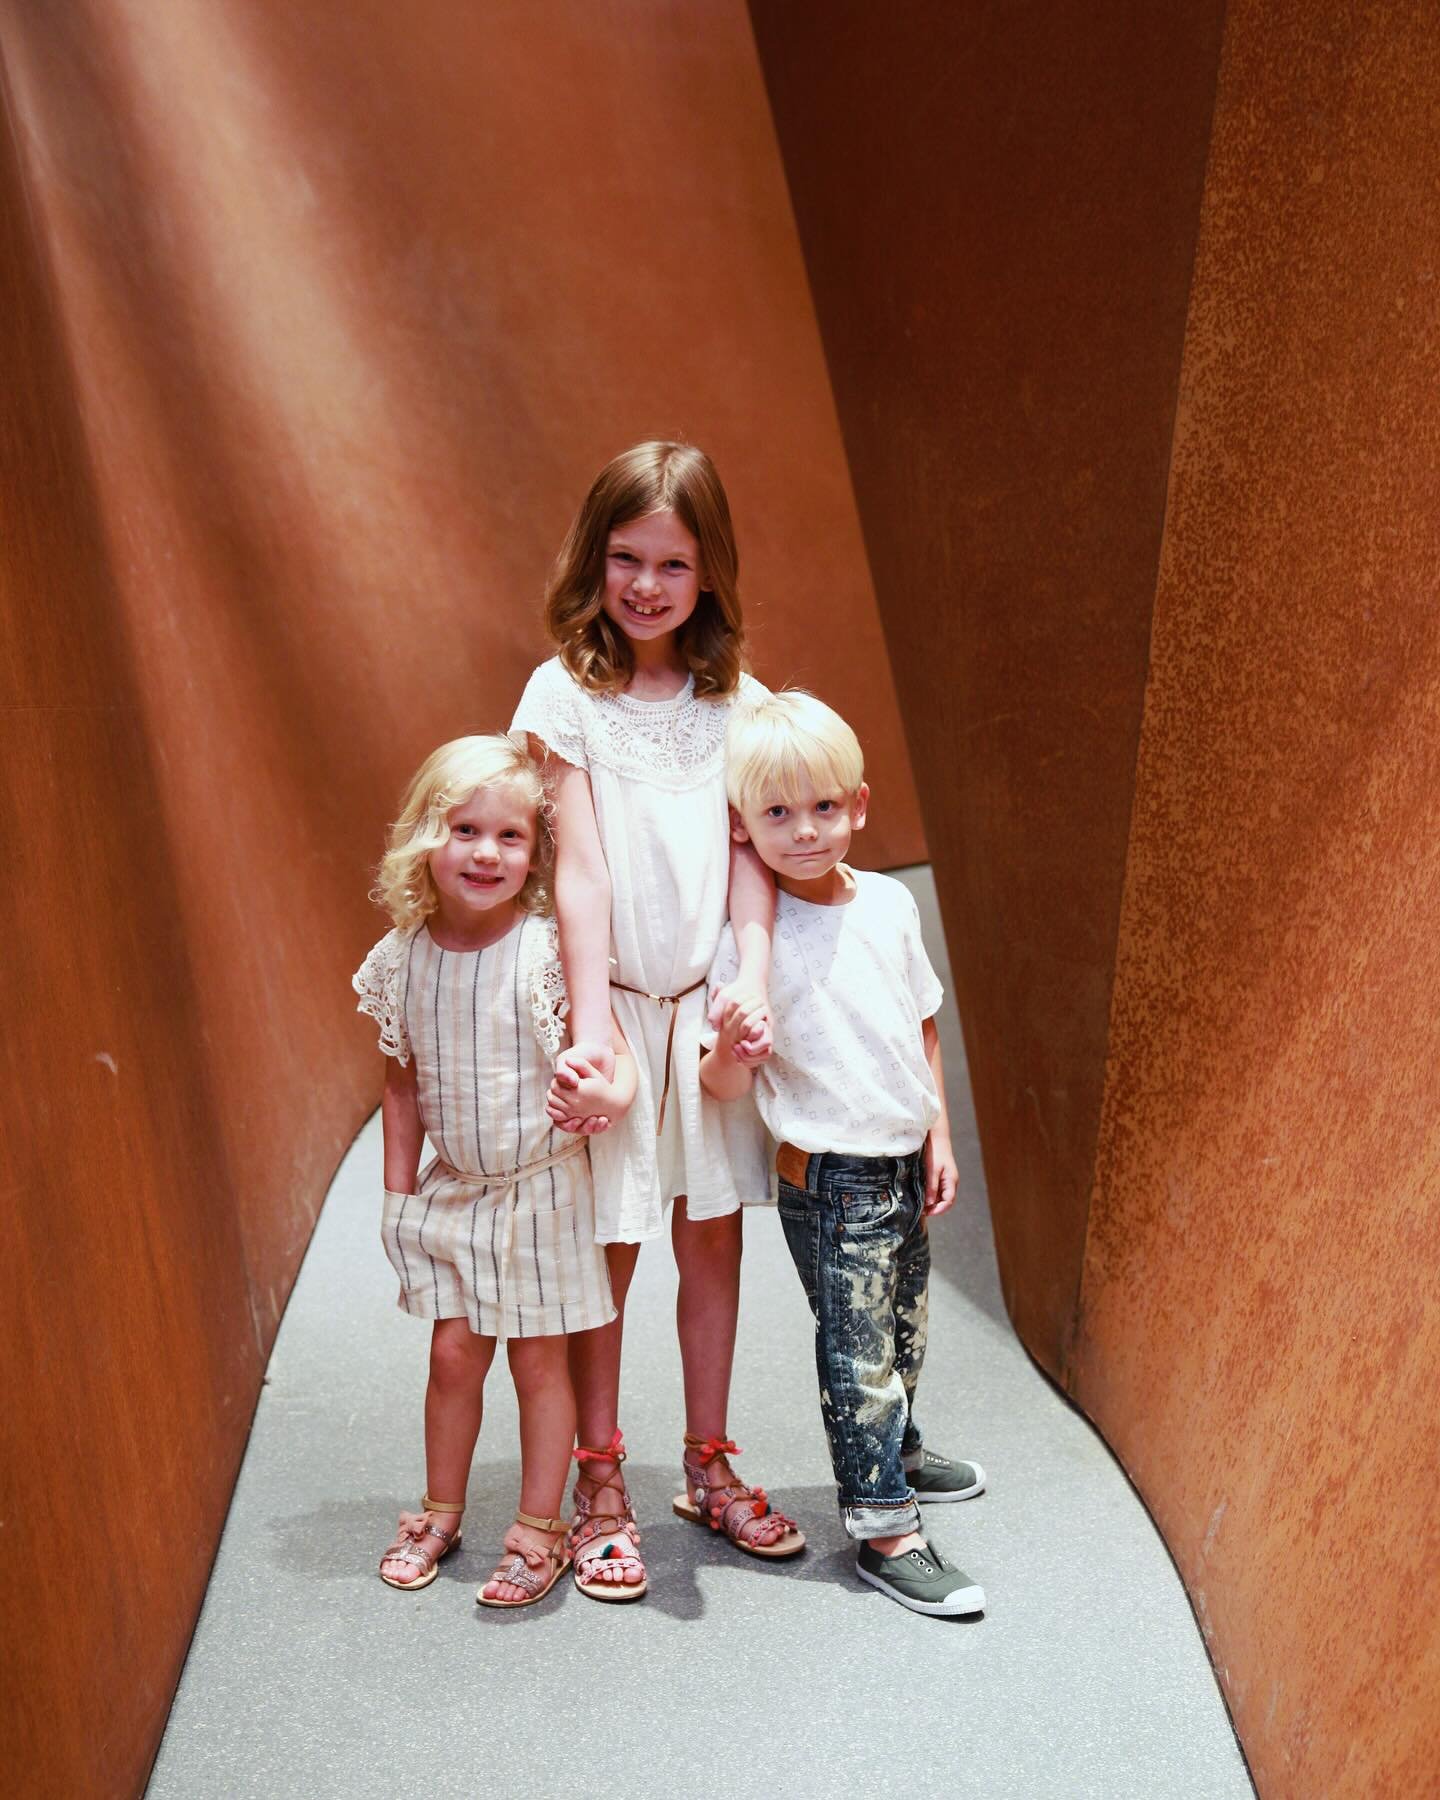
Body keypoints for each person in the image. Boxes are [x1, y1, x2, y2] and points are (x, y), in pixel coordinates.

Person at [511, 440, 805, 1601]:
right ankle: (598, 1478)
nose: (644, 586)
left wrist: (757, 983)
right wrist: (594, 1035)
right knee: (609, 1248)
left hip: (708, 1013)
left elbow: (755, 867)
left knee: (713, 1238)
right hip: (619, 1007)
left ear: (710, 574)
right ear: (594, 560)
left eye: (671, 564)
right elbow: (576, 872)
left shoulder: (743, 703)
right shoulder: (562, 694)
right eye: (625, 558)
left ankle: (708, 1459)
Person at [700, 690, 987, 1617]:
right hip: (831, 1182)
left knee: (905, 1329)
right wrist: (730, 1053)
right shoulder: (748, 946)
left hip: (901, 1159)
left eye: (824, 808)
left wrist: (938, 1130)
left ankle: (898, 1451)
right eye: (776, 815)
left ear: (858, 805)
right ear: (743, 830)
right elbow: (722, 1090)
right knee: (856, 1353)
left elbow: (923, 1024)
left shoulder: (891, 904)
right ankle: (883, 1526)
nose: (805, 831)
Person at [352, 734, 632, 1607]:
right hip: (456, 1195)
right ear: (424, 837)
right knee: (451, 1357)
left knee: (540, 1365)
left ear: (537, 853)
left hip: (543, 1190)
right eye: (464, 829)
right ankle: (441, 1508)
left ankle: (540, 1526)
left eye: (510, 837)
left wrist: (604, 1091)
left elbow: (608, 1051)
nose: (485, 852)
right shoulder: (404, 955)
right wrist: (399, 1199)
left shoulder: (546, 951)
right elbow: (401, 1081)